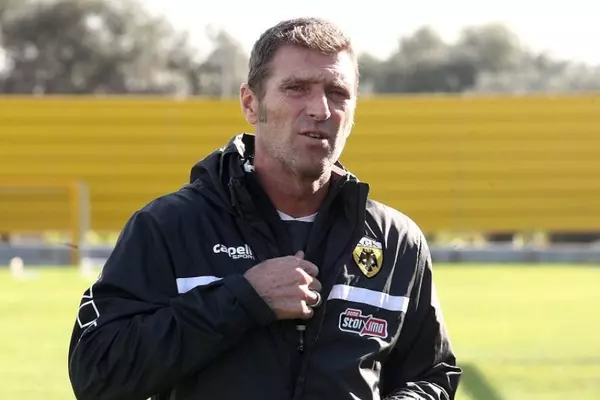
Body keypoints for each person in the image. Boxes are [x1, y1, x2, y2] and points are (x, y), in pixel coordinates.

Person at [68, 17, 462, 400]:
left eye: (337, 92)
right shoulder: (168, 226)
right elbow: (97, 373)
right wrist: (244, 299)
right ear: (251, 103)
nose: (321, 109)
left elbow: (431, 376)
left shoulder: (397, 242)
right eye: (296, 88)